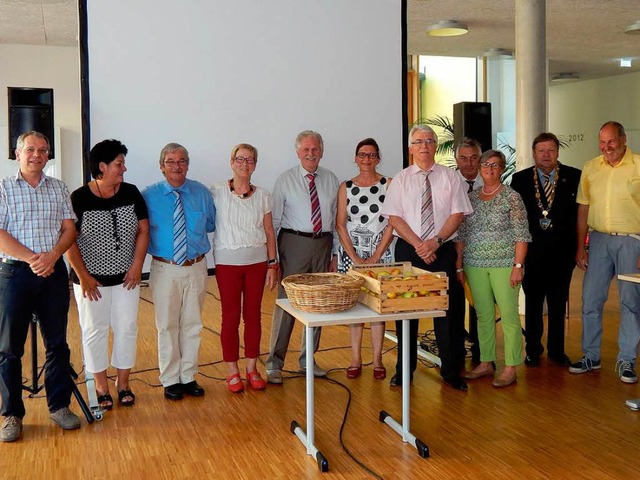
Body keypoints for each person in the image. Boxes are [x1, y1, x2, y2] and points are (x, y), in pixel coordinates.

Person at [0, 131, 80, 443]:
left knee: (58, 343)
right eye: (30, 149)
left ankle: (59, 406)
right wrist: (34, 259)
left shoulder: (58, 188)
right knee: (9, 349)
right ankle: (11, 414)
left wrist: (53, 257)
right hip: (14, 275)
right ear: (17, 154)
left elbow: (69, 228)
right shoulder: (4, 188)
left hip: (53, 273)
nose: (37, 155)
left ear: (48, 155)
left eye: (43, 150)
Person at [381, 125, 472, 391]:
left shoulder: (450, 177)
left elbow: (457, 213)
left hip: (441, 248)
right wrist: (420, 244)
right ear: (411, 148)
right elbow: (394, 217)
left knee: (446, 312)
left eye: (429, 141)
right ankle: (403, 371)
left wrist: (435, 241)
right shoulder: (401, 179)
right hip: (409, 249)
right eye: (418, 141)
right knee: (405, 312)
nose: (424, 145)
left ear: (435, 146)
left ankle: (450, 371)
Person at [66, 139, 149, 410]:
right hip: (91, 283)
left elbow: (143, 231)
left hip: (127, 279)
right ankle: (101, 386)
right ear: (102, 167)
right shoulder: (79, 197)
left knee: (127, 329)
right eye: (119, 163)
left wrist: (137, 265)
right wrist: (84, 276)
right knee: (94, 331)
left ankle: (123, 384)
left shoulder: (131, 192)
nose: (124, 169)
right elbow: (69, 240)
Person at [142, 143, 216, 400]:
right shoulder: (148, 196)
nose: (177, 166)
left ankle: (188, 375)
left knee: (193, 324)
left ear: (188, 164)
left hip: (196, 267)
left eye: (182, 161)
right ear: (161, 166)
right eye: (171, 161)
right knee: (167, 325)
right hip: (165, 269)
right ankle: (170, 379)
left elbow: (209, 225)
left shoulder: (201, 193)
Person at [265, 130, 340, 384]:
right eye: (306, 149)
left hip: (323, 244)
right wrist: (273, 260)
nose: (311, 153)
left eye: (315, 149)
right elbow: (273, 222)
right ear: (298, 152)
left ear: (321, 151)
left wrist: (335, 253)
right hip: (293, 243)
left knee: (317, 303)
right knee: (287, 303)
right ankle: (274, 362)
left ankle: (307, 359)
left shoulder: (331, 179)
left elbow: (338, 219)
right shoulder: (285, 180)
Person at [570, 121, 640, 383]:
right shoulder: (591, 167)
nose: (606, 147)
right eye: (602, 142)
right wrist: (581, 246)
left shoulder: (638, 165)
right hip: (598, 241)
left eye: (611, 141)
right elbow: (583, 209)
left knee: (631, 303)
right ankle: (591, 355)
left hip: (632, 241)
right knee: (590, 300)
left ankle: (627, 360)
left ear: (623, 139)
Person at [457, 149, 531, 387]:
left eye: (495, 165)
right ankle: (486, 362)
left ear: (502, 168)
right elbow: (462, 233)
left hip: (504, 265)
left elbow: (522, 235)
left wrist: (518, 265)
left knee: (509, 315)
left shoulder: (512, 197)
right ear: (480, 168)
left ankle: (510, 367)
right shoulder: (471, 198)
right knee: (483, 315)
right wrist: (459, 264)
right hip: (474, 264)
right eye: (485, 165)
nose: (489, 169)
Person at [211, 144, 278, 393]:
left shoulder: (263, 196)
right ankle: (232, 372)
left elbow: (270, 232)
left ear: (255, 165)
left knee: (253, 316)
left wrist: (273, 263)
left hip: (257, 264)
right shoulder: (216, 191)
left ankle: (251, 368)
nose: (244, 164)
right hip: (227, 263)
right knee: (229, 318)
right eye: (240, 159)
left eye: (250, 160)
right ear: (231, 162)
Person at [511, 132, 581, 368]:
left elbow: (578, 217)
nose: (546, 155)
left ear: (558, 152)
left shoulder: (573, 177)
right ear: (534, 153)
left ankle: (557, 351)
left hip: (562, 255)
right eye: (541, 151)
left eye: (551, 150)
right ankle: (532, 350)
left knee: (558, 304)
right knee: (532, 305)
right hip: (532, 255)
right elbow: (516, 220)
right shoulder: (520, 180)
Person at [336, 138, 394, 380]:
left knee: (379, 310)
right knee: (356, 308)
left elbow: (393, 222)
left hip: (382, 256)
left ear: (378, 158)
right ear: (356, 158)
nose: (367, 159)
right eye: (362, 155)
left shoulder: (389, 184)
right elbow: (340, 224)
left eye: (371, 155)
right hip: (352, 258)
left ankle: (378, 359)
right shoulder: (346, 186)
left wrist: (376, 256)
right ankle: (356, 358)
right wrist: (355, 258)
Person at [455, 137, 483, 363]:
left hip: (483, 252)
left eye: (474, 158)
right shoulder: (449, 181)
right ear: (457, 160)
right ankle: (456, 348)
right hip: (454, 249)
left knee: (481, 303)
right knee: (455, 301)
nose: (469, 163)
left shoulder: (492, 181)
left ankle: (482, 350)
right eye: (463, 158)